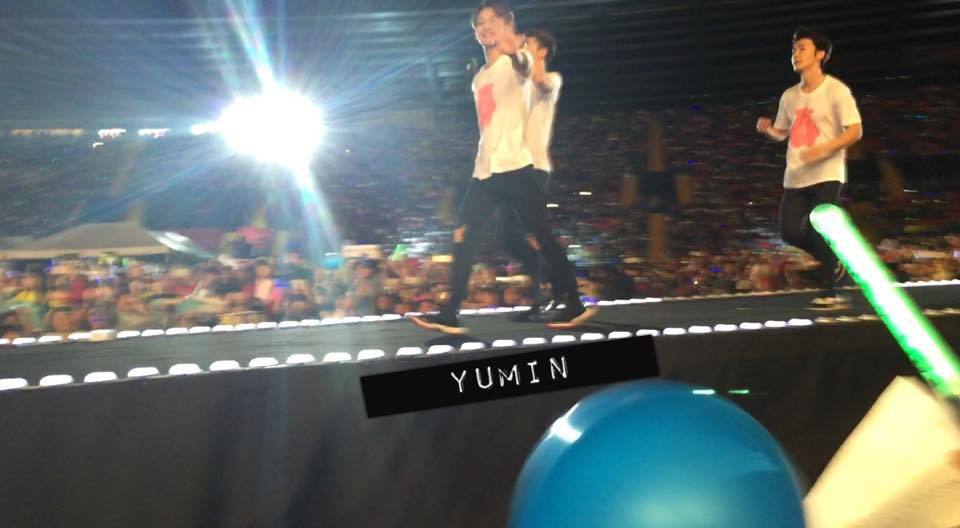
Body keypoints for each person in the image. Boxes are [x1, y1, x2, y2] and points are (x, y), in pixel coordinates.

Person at [411, 1, 594, 335]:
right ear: (475, 33)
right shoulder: (480, 77)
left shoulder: (517, 61)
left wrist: (516, 54)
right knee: (462, 237)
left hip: (517, 168)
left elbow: (535, 79)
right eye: (479, 23)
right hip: (485, 172)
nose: (485, 26)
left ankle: (574, 302)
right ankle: (450, 313)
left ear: (508, 26)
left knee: (541, 237)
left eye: (492, 20)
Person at [756, 26, 862, 309]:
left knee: (818, 228)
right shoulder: (789, 96)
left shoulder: (836, 90)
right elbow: (782, 133)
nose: (795, 54)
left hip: (827, 173)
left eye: (802, 48)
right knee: (789, 232)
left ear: (820, 54)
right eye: (794, 49)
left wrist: (825, 149)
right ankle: (832, 260)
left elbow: (854, 131)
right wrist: (768, 130)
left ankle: (828, 292)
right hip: (796, 176)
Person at [494, 28, 564, 320]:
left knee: (535, 234)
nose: (522, 47)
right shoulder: (518, 85)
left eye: (528, 45)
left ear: (542, 52)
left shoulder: (552, 79)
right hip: (512, 168)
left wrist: (517, 54)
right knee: (506, 236)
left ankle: (551, 294)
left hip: (533, 168)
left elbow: (540, 81)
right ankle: (552, 284)